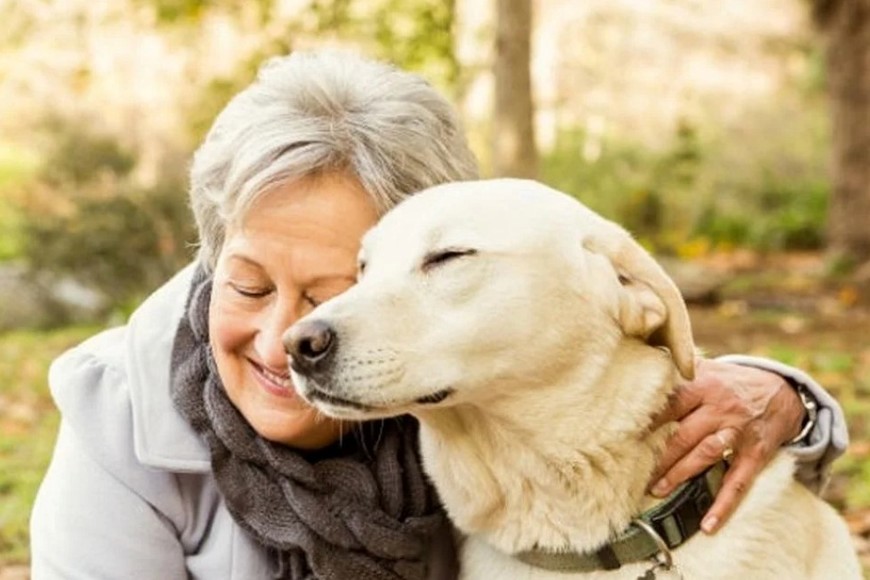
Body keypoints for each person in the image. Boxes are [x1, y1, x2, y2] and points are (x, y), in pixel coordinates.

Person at [30, 50, 848, 579]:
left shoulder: (444, 373)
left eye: (332, 290)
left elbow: (597, 362)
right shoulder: (121, 411)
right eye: (245, 285)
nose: (291, 338)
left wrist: (787, 399)